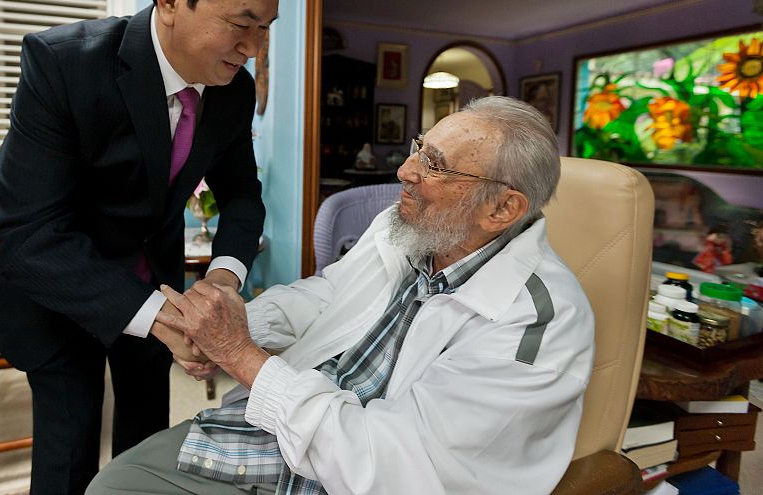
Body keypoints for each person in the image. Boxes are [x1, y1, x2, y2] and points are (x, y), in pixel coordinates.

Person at [88, 96, 595, 495]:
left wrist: (242, 357)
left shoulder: (538, 324)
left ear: (503, 209)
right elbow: (329, 294)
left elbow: (391, 466)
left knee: (116, 486)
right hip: (305, 420)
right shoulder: (411, 232)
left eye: (435, 166)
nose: (405, 171)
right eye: (420, 147)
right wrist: (237, 325)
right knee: (118, 478)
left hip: (349, 469)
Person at [0, 0, 280, 495]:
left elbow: (242, 194)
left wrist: (223, 279)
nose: (253, 47)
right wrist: (157, 314)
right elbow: (28, 234)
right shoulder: (64, 65)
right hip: (58, 295)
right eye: (241, 23)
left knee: (143, 454)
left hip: (155, 283)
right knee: (68, 458)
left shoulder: (231, 91)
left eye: (266, 27)